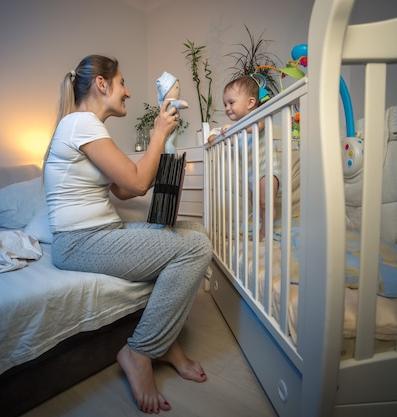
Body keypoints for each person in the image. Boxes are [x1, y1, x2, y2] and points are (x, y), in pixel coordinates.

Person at [42, 54, 212, 414]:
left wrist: (162, 146)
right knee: (195, 246)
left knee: (194, 231)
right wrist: (158, 134)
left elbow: (124, 189)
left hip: (102, 233)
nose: (128, 92)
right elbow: (136, 182)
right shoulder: (80, 124)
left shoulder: (86, 127)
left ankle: (163, 343)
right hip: (80, 242)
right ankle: (139, 351)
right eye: (122, 83)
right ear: (101, 84)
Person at [207, 75, 281, 241]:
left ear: (250, 103)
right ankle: (263, 225)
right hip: (251, 175)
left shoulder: (258, 116)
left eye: (231, 103)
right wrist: (214, 136)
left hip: (267, 169)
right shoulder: (237, 130)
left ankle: (265, 232)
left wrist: (234, 128)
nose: (227, 108)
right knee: (258, 205)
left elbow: (259, 126)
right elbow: (222, 138)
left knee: (265, 203)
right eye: (225, 104)